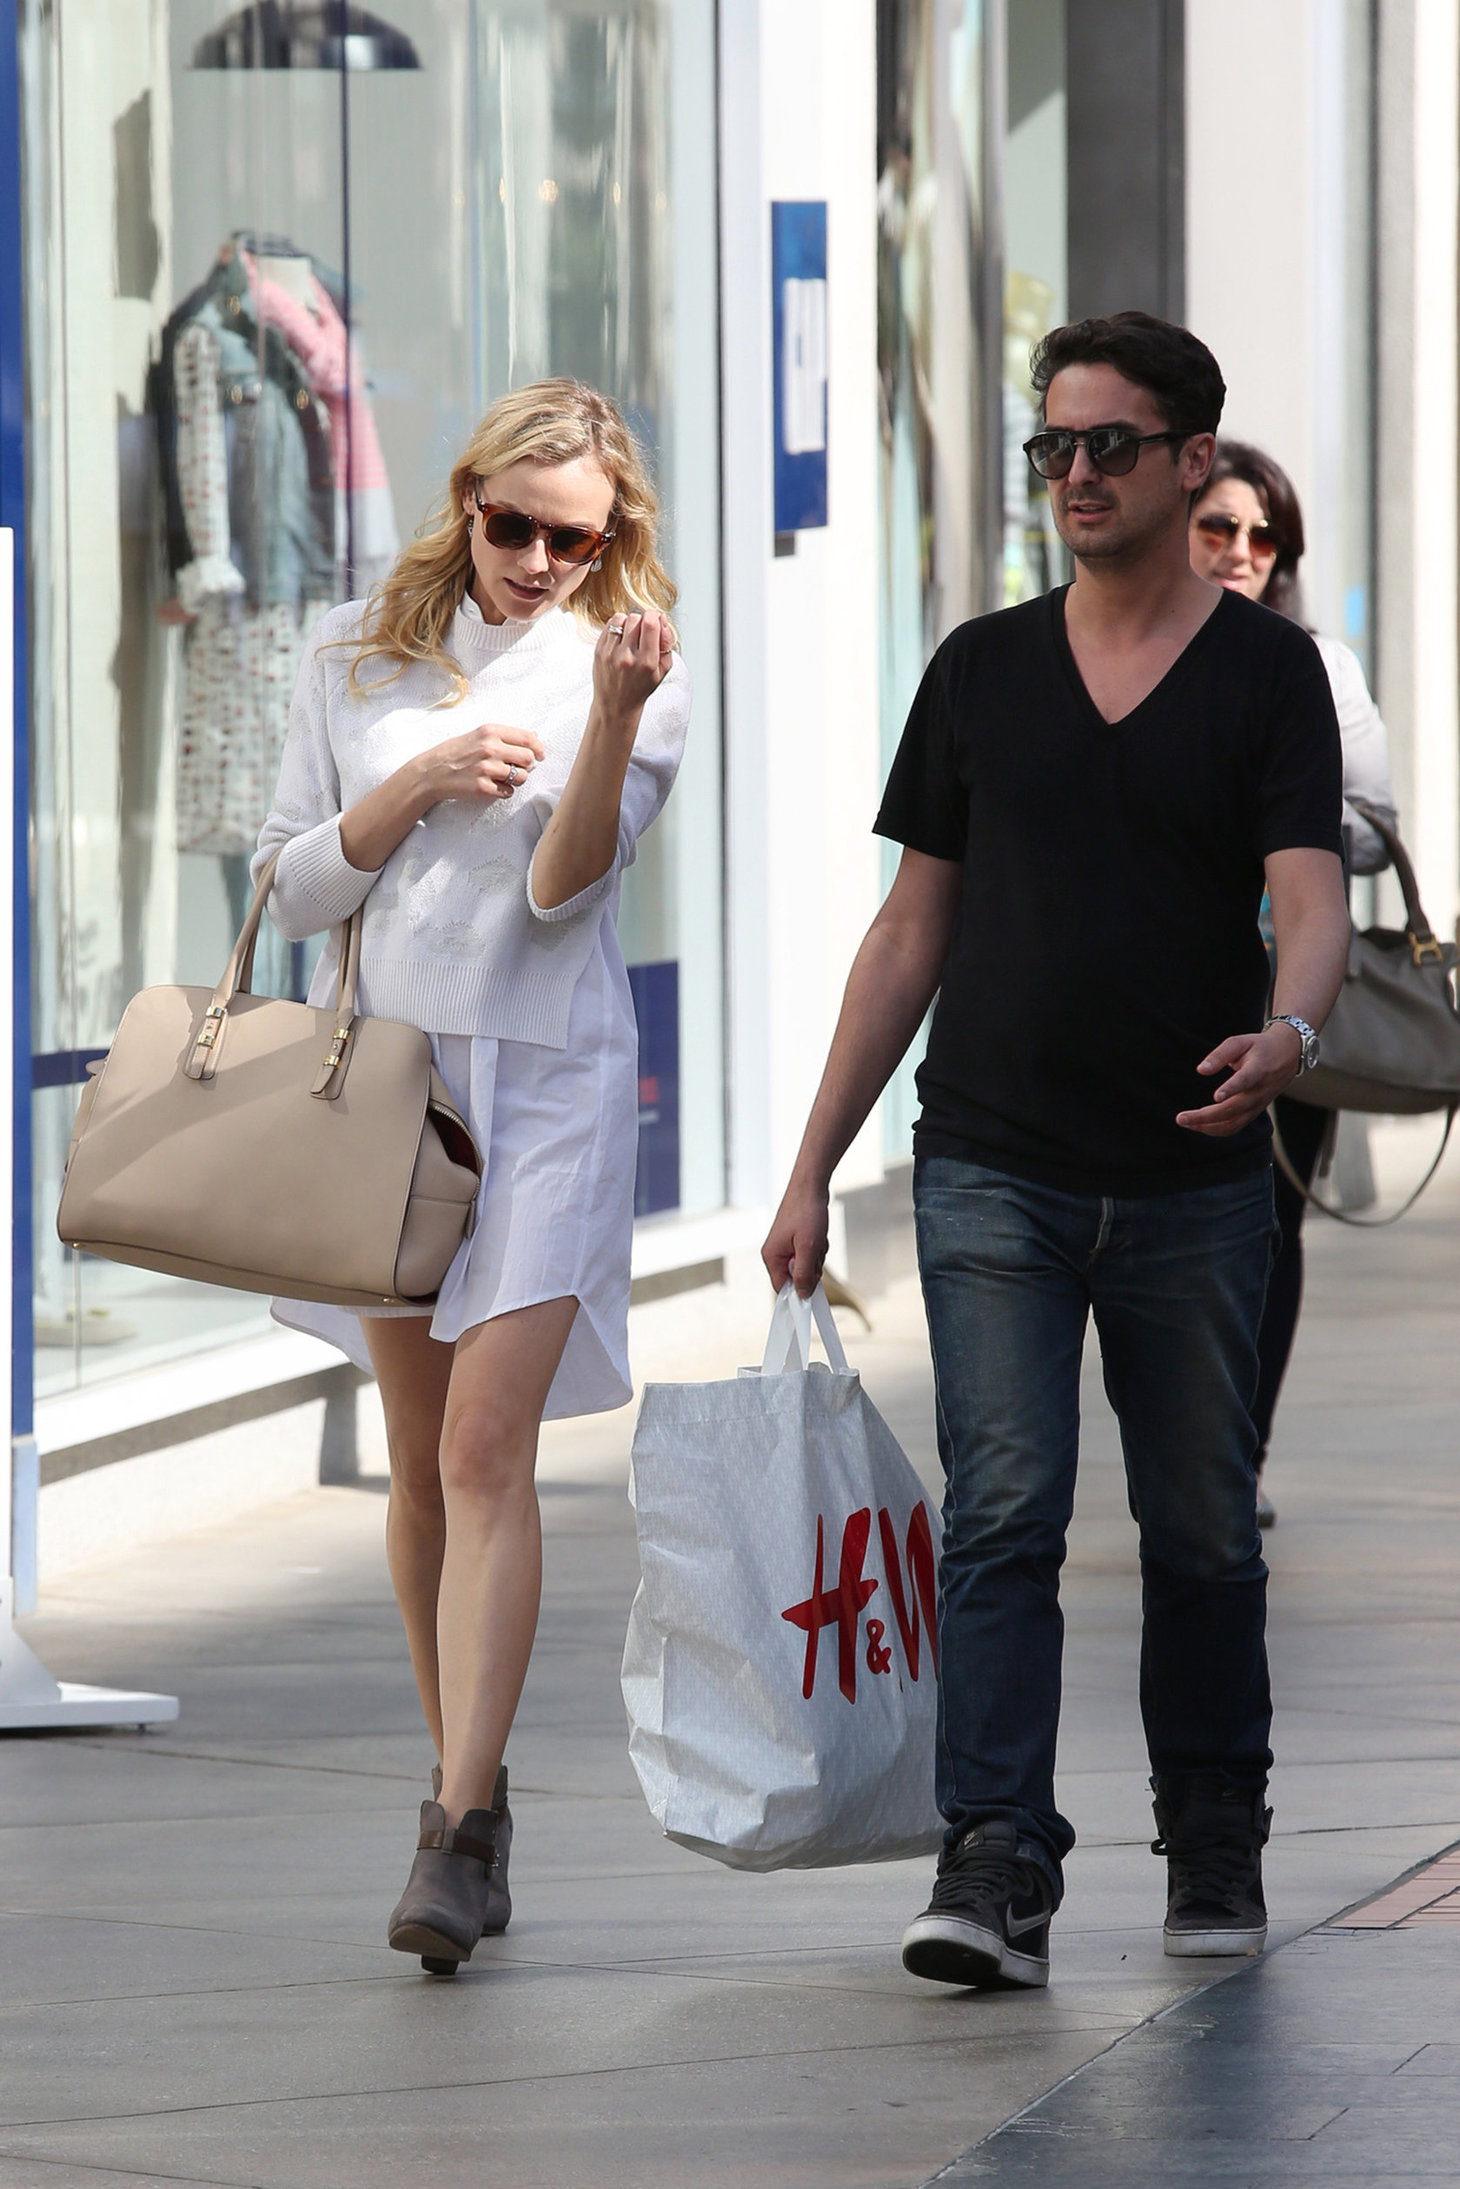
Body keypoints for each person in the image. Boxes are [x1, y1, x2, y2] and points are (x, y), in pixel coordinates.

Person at [764, 312, 1351, 1990]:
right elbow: (908, 934)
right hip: (993, 1165)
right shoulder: (980, 670)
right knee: (1005, 1513)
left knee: (1202, 1525)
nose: (1077, 474)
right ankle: (996, 1857)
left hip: (1192, 1173)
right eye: (1054, 448)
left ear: (1192, 463)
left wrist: (1290, 1031)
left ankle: (1213, 1827)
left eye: (1110, 445)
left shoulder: (1265, 672)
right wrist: (813, 1164)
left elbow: (1305, 898)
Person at [254, 380, 689, 1973]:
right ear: (467, 498)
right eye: (514, 525)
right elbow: (294, 885)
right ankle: (476, 1788)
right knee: (423, 1456)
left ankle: (450, 1833)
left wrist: (621, 723)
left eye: (574, 538)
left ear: (612, 536)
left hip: (554, 1082)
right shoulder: (353, 646)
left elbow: (570, 894)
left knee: (492, 1449)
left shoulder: (632, 666)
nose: (538, 560)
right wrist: (415, 785)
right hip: (386, 1077)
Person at [1190, 443, 1397, 1525]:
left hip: (1288, 994)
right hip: (1165, 992)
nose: (1239, 553)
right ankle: (1187, 1452)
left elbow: (1372, 827)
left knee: (1268, 1230)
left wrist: (1281, 827)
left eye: (1261, 536)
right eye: (1218, 527)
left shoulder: (1315, 665)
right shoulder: (1122, 653)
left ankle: (1236, 1457)